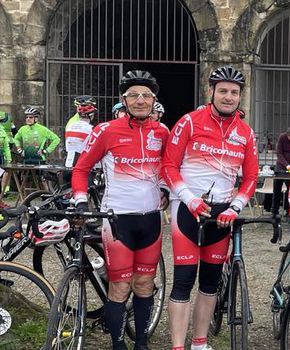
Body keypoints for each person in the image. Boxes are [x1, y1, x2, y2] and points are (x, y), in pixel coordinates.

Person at [162, 66, 259, 350]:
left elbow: (251, 178)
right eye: (223, 91)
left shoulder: (245, 133)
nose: (228, 97)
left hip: (221, 215)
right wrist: (189, 198)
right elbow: (168, 165)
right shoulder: (190, 122)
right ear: (211, 92)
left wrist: (236, 206)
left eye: (234, 92)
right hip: (188, 210)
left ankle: (200, 342)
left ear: (240, 96)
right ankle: (178, 346)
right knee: (183, 281)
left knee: (209, 283)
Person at [71, 70, 169, 350]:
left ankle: (141, 343)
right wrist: (80, 200)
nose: (140, 100)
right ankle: (117, 344)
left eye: (146, 95)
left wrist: (164, 189)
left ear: (153, 100)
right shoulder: (106, 130)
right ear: (123, 100)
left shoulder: (162, 132)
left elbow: (168, 168)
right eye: (134, 95)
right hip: (116, 220)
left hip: (151, 220)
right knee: (120, 287)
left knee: (144, 285)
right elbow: (81, 169)